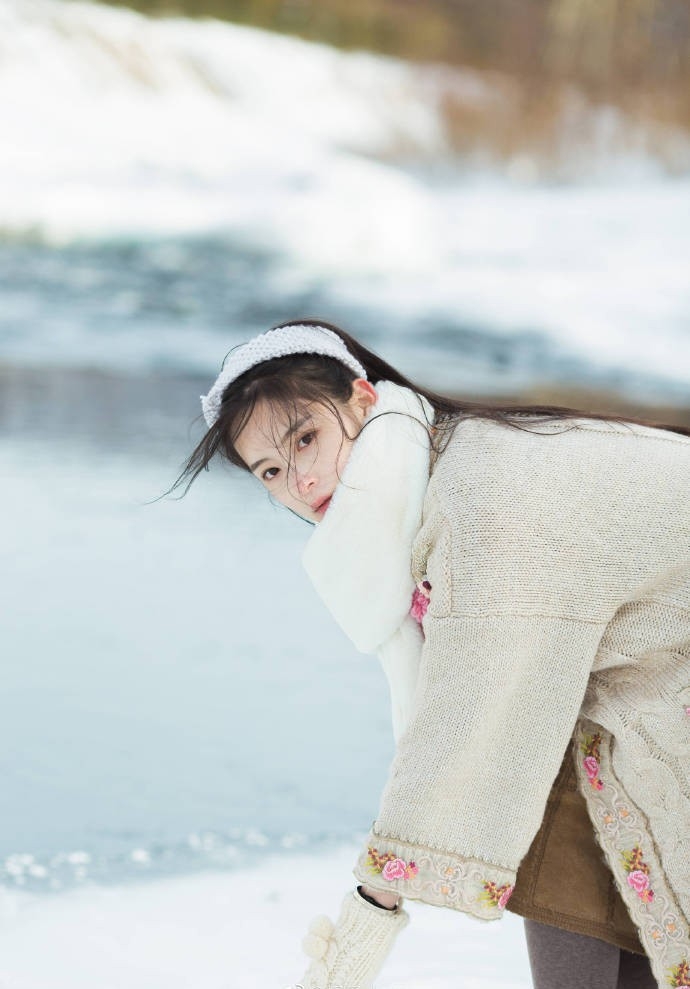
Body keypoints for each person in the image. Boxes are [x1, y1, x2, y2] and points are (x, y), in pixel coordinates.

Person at [175, 319, 690, 989]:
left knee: (524, 766)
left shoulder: (478, 494)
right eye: (271, 470)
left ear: (363, 400)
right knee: (546, 775)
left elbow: (469, 717)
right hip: (650, 671)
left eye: (307, 438)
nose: (300, 480)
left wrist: (367, 917)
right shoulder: (430, 473)